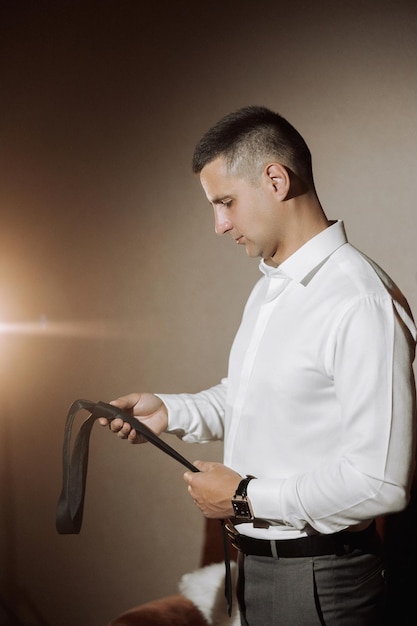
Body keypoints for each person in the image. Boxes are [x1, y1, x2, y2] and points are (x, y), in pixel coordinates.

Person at [99, 106, 417, 625]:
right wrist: (168, 411)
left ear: (275, 179)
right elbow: (252, 397)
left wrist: (245, 498)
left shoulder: (360, 303)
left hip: (320, 583)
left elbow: (382, 481)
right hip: (254, 572)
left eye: (225, 202)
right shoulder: (271, 287)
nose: (219, 225)